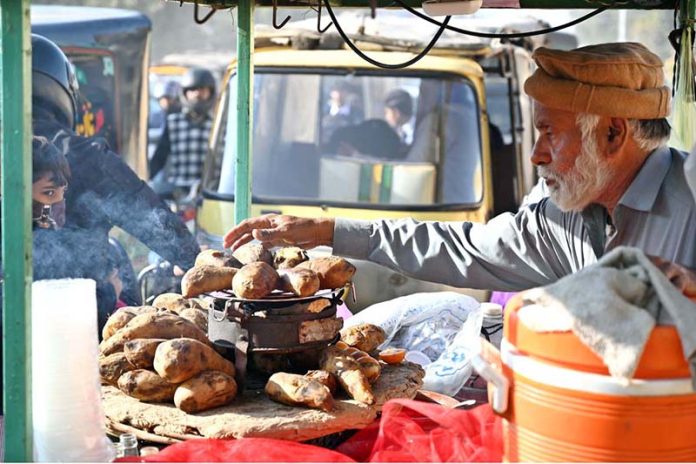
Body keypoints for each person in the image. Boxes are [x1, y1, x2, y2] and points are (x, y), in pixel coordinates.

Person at [223, 42, 696, 295]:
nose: (536, 155)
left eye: (550, 133)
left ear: (614, 134)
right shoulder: (562, 218)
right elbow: (463, 247)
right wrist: (332, 229)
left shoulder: (691, 197)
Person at [30, 34, 200, 329]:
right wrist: (199, 265)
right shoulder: (88, 157)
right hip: (80, 328)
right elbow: (158, 223)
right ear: (60, 92)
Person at [149, 67, 216, 193]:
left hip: (209, 192)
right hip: (178, 192)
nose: (197, 93)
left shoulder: (217, 125)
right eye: (193, 90)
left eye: (202, 90)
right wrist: (144, 180)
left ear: (210, 93)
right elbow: (159, 158)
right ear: (184, 93)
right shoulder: (173, 122)